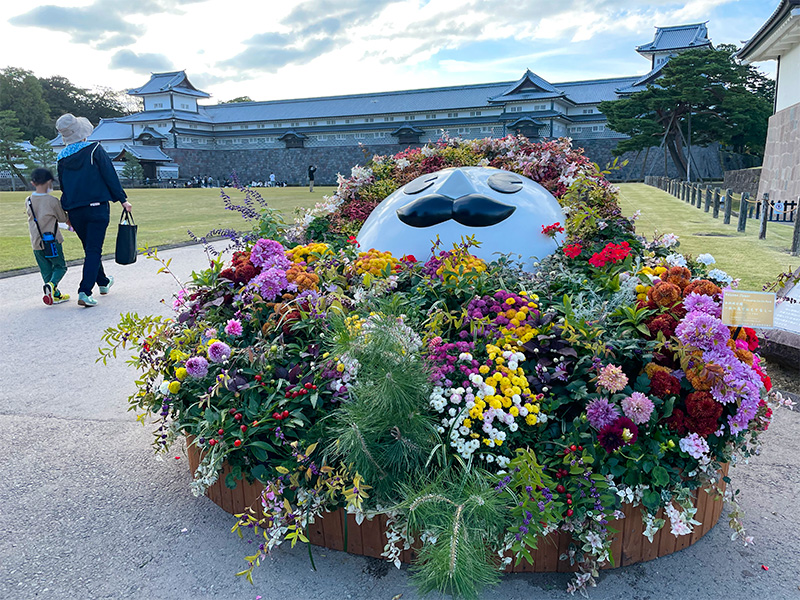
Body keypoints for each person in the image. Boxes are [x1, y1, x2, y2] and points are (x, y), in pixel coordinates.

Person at [55, 113, 133, 308]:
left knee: (90, 248)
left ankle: (103, 282)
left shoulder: (62, 157)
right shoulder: (94, 149)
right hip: (96, 206)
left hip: (75, 210)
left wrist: (67, 212)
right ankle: (85, 290)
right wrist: (122, 199)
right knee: (93, 249)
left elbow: (63, 186)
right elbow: (109, 175)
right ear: (82, 133)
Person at [25, 168, 71, 305]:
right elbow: (63, 218)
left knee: (45, 269)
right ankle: (52, 285)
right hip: (52, 240)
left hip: (36, 242)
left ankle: (54, 294)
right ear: (50, 181)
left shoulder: (28, 200)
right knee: (60, 266)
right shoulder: (52, 201)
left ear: (33, 183)